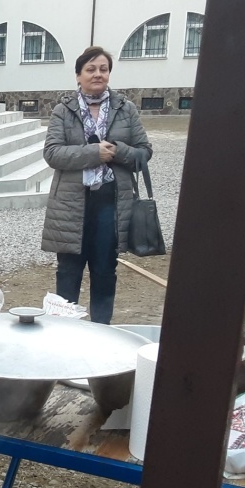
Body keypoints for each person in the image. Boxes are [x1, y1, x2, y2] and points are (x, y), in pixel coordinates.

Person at [41, 46, 153, 324]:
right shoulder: (62, 111)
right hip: (71, 204)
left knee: (105, 270)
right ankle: (64, 329)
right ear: (78, 75)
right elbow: (52, 153)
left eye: (103, 69)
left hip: (111, 203)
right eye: (90, 69)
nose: (97, 74)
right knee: (68, 270)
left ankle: (102, 331)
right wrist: (93, 154)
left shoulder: (125, 109)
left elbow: (144, 151)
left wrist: (117, 151)